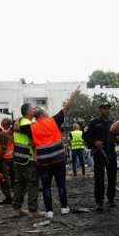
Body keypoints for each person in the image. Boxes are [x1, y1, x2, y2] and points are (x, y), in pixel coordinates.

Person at [22, 89, 80, 219]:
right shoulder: (54, 120)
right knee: (61, 184)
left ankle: (49, 211)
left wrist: (28, 116)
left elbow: (14, 127)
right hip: (58, 160)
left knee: (46, 186)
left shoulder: (31, 127)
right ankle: (64, 208)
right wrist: (73, 95)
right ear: (44, 113)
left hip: (43, 162)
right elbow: (67, 108)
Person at [83, 103, 118, 211]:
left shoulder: (113, 123)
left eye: (108, 109)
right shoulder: (94, 123)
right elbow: (85, 136)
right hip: (99, 154)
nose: (107, 111)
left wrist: (117, 140)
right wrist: (94, 142)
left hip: (111, 154)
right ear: (100, 110)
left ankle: (111, 199)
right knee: (99, 179)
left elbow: (117, 137)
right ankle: (99, 202)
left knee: (112, 178)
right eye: (104, 109)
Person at [12, 103, 42, 217]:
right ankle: (33, 210)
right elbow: (35, 140)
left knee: (20, 184)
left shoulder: (19, 122)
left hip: (18, 157)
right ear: (27, 112)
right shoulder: (29, 124)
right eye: (31, 109)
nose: (34, 110)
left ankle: (17, 208)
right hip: (28, 158)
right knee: (33, 184)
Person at [0, 118, 14, 205]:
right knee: (13, 178)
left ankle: (8, 197)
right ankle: (14, 197)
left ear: (4, 124)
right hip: (12, 158)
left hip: (4, 159)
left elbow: (3, 148)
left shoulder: (4, 134)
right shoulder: (13, 133)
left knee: (4, 179)